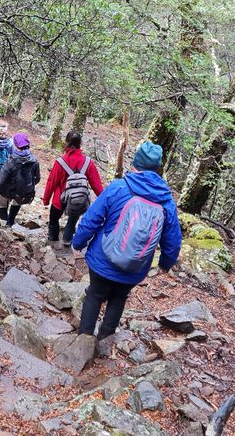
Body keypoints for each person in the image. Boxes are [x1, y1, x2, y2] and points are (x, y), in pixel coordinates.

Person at [71, 141, 182, 340]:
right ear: (157, 168)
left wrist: (78, 242)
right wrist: (166, 264)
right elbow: (172, 240)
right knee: (119, 298)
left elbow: (92, 219)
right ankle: (105, 340)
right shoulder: (166, 201)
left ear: (135, 164)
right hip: (135, 266)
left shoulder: (119, 187)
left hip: (102, 259)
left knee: (95, 295)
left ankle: (84, 340)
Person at [42, 131, 105, 249]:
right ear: (80, 144)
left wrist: (46, 199)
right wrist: (103, 200)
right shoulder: (88, 162)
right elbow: (96, 184)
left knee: (54, 219)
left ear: (66, 143)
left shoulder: (60, 162)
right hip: (79, 199)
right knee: (72, 220)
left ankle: (53, 240)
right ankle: (67, 239)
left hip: (59, 200)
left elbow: (51, 182)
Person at [0, 132, 40, 227]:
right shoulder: (34, 161)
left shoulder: (11, 160)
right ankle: (11, 221)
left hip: (7, 190)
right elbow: (37, 179)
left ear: (16, 145)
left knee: (1, 203)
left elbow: (0, 179)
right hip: (22, 192)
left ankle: (5, 224)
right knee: (17, 202)